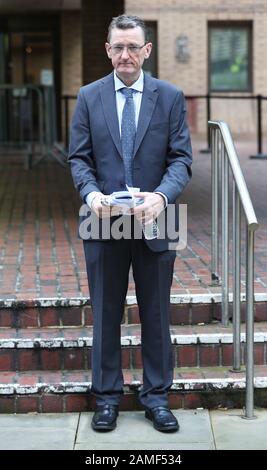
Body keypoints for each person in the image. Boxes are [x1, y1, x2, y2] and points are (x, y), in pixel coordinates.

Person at [68, 14, 192, 433]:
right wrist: (91, 195)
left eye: (133, 47)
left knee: (157, 314)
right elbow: (79, 158)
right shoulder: (88, 96)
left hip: (160, 217)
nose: (125, 55)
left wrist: (161, 197)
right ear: (107, 50)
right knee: (105, 312)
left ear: (147, 50)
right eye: (118, 47)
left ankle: (157, 398)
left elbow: (181, 159)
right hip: (103, 218)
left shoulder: (171, 96)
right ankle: (106, 399)